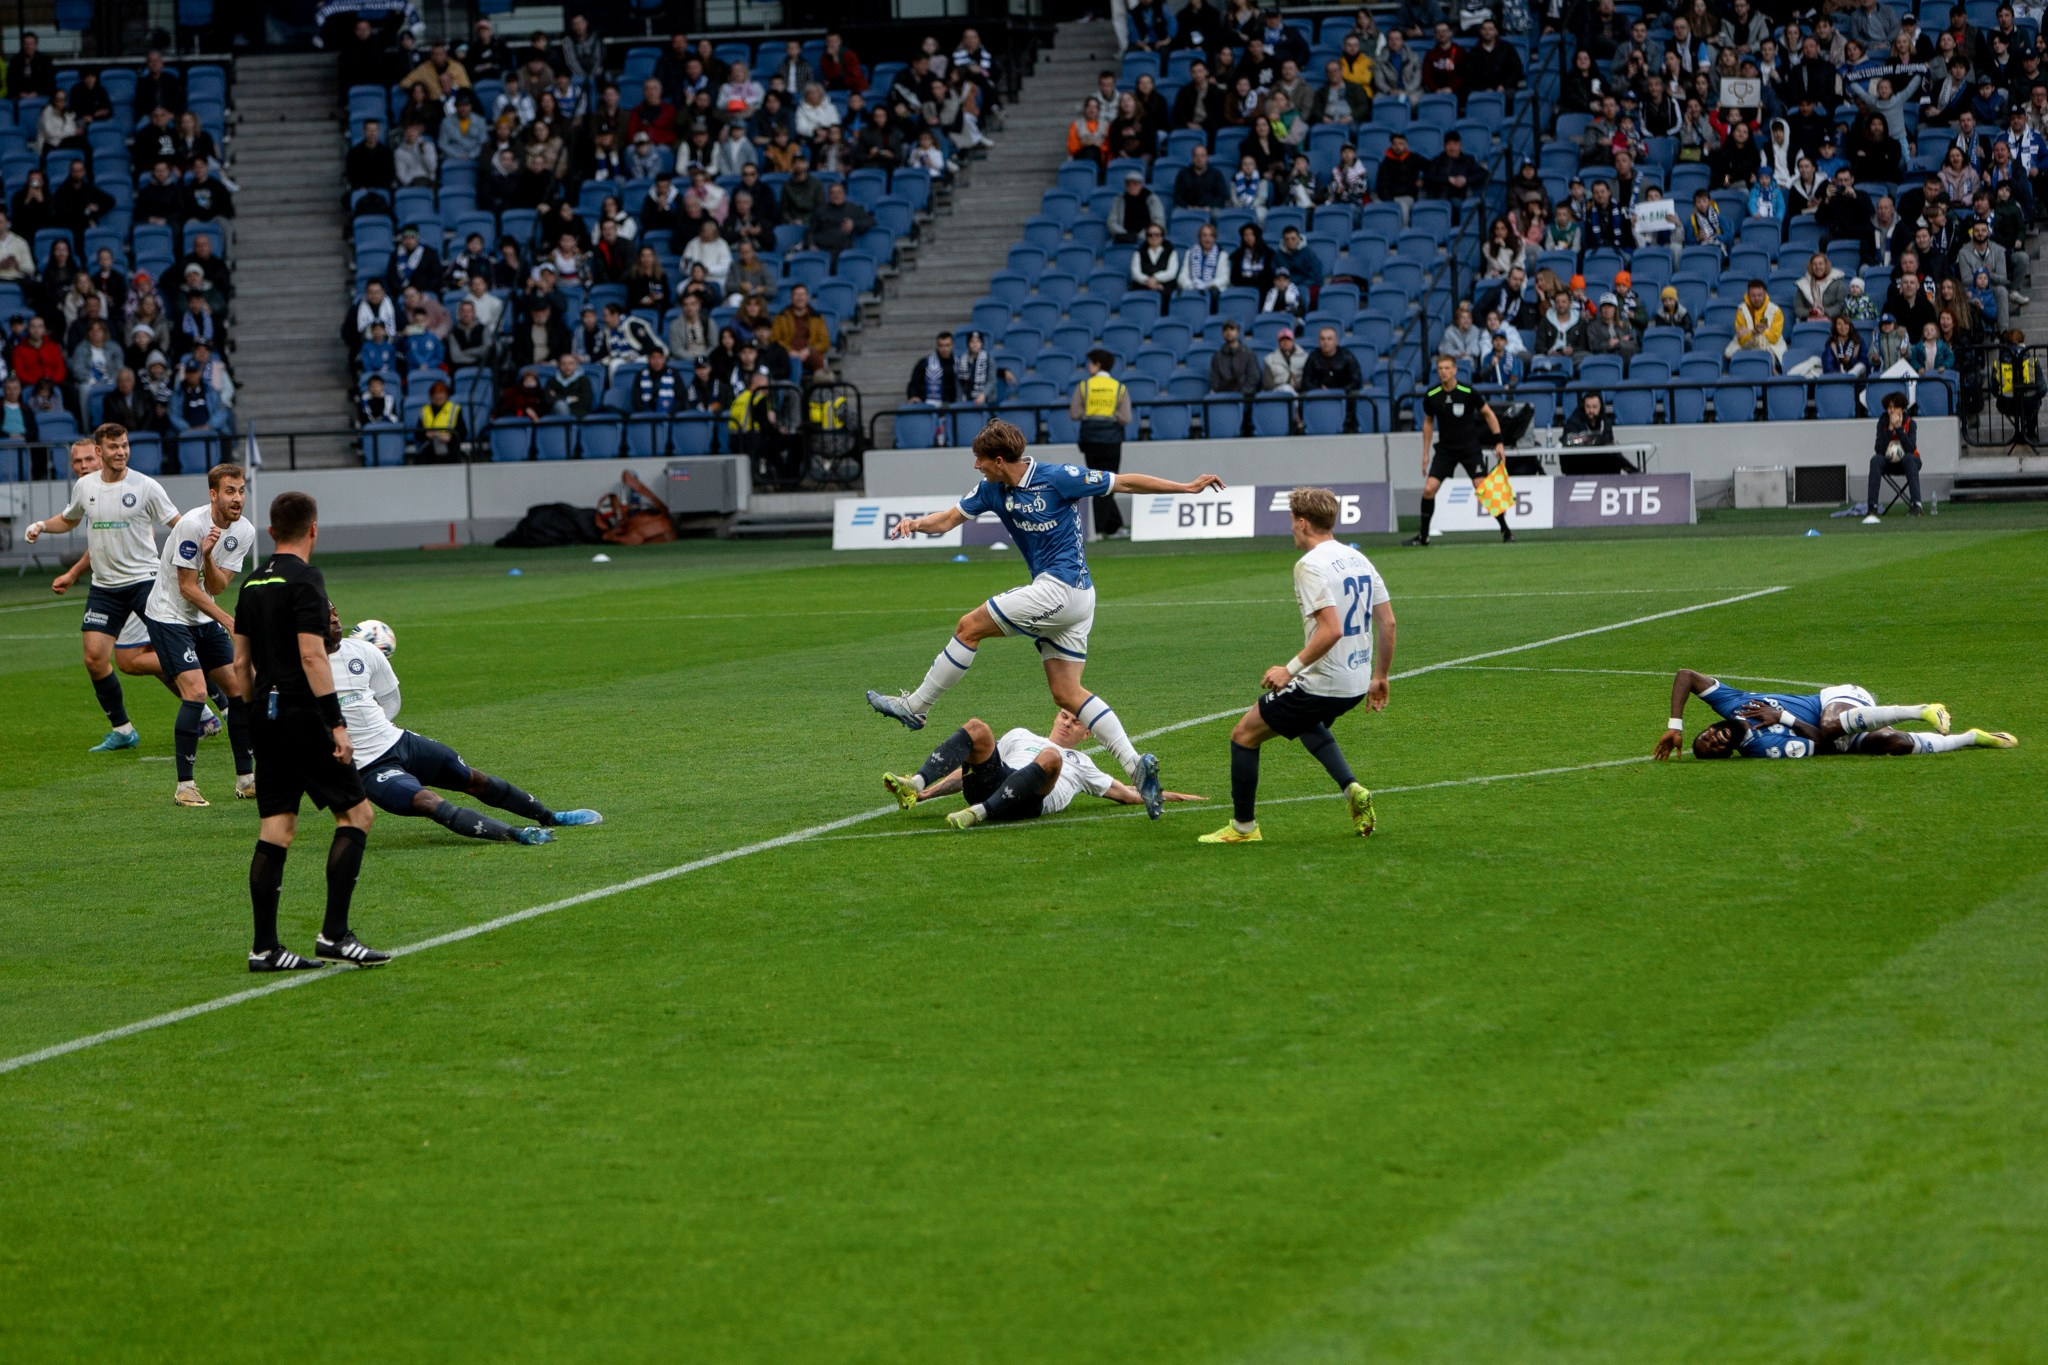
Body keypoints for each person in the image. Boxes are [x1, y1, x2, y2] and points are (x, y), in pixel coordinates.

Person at [864, 421, 1224, 815]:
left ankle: (916, 707)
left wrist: (1186, 487)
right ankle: (1135, 766)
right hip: (1076, 600)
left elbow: (1124, 483)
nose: (976, 467)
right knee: (1067, 694)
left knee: (969, 627)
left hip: (1062, 589)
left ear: (999, 460)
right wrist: (915, 524)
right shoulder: (991, 489)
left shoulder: (1058, 477)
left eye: (980, 460)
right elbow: (949, 518)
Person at [231, 491, 389, 971]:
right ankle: (335, 935)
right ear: (313, 529)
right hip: (303, 713)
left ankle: (265, 948)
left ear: (272, 531)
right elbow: (312, 655)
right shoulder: (307, 579)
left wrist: (255, 715)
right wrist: (336, 723)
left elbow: (240, 662)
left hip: (265, 714)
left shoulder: (252, 583)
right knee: (358, 815)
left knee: (277, 828)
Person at [1198, 487, 1392, 844]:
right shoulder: (1358, 558)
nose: (1291, 529)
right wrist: (1380, 676)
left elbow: (1331, 629)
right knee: (1306, 723)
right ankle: (1352, 790)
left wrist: (1290, 669)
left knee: (1243, 735)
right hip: (1356, 680)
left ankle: (1244, 828)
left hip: (1325, 682)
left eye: (1292, 522)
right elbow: (1388, 623)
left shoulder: (1310, 565)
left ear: (1303, 523)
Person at [328, 607, 598, 843]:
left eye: (336, 613)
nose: (336, 620)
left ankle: (551, 817)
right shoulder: (297, 668)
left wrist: (374, 729)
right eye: (327, 616)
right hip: (368, 766)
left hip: (400, 742)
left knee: (472, 778)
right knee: (427, 801)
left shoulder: (362, 650)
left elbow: (389, 699)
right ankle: (516, 834)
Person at [22, 424, 184, 751]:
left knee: (151, 655)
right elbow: (69, 518)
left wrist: (195, 558)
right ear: (100, 451)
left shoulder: (146, 486)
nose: (121, 452)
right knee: (95, 658)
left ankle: (214, 696)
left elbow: (177, 525)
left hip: (144, 580)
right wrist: (41, 525)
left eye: (124, 446)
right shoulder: (85, 487)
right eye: (113, 447)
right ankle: (123, 730)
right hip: (105, 588)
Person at [140, 462, 256, 806]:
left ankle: (246, 779)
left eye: (241, 490)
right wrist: (230, 622)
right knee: (196, 692)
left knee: (237, 689)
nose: (237, 499)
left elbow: (216, 584)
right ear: (213, 495)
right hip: (168, 615)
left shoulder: (244, 530)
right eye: (230, 491)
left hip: (202, 619)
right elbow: (188, 589)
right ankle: (184, 787)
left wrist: (208, 557)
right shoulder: (192, 525)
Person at [881, 711, 1205, 830]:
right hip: (994, 784)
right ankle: (917, 780)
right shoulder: (1021, 735)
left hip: (1030, 800)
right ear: (1055, 716)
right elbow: (964, 773)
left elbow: (1130, 795)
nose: (1067, 723)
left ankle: (979, 813)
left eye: (1076, 721)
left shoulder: (1084, 765)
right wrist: (926, 795)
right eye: (1064, 716)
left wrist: (1181, 796)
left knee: (1051, 757)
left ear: (1087, 733)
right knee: (978, 729)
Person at [1655, 667, 2014, 761]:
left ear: (1709, 725)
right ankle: (1971, 738)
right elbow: (1821, 742)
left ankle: (1921, 710)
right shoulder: (1762, 747)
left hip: (1839, 699)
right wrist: (1781, 718)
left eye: (1706, 737)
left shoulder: (1730, 703)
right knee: (1894, 743)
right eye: (1715, 749)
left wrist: (1675, 726)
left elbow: (1686, 676)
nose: (1713, 740)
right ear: (1728, 752)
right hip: (1833, 734)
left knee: (1830, 720)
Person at [1407, 354, 1512, 545]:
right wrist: (1425, 453)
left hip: (1469, 447)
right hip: (1446, 450)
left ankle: (1506, 530)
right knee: (1429, 489)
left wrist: (1499, 441)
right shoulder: (1432, 395)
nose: (1443, 372)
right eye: (1440, 369)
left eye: (1447, 368)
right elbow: (1428, 422)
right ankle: (1423, 537)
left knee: (1483, 487)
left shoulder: (1467, 391)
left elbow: (1488, 414)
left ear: (1455, 370)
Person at [1069, 350, 1133, 538]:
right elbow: (1126, 418)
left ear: (1097, 364)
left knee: (1096, 480)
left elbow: (1074, 414)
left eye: (1090, 363)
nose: (1088, 366)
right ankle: (1101, 527)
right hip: (1112, 440)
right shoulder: (1119, 388)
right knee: (1111, 481)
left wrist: (1090, 415)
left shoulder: (1084, 386)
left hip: (1090, 440)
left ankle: (1110, 526)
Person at [1863, 390, 1923, 520]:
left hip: (1908, 462)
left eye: (1895, 407)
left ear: (1902, 409)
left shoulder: (1910, 423)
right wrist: (1890, 428)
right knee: (1875, 460)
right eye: (1889, 407)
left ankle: (1916, 504)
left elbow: (1910, 448)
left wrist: (1899, 429)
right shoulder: (1882, 424)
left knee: (1909, 458)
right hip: (1889, 462)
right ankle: (1872, 507)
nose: (1892, 410)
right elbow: (1879, 449)